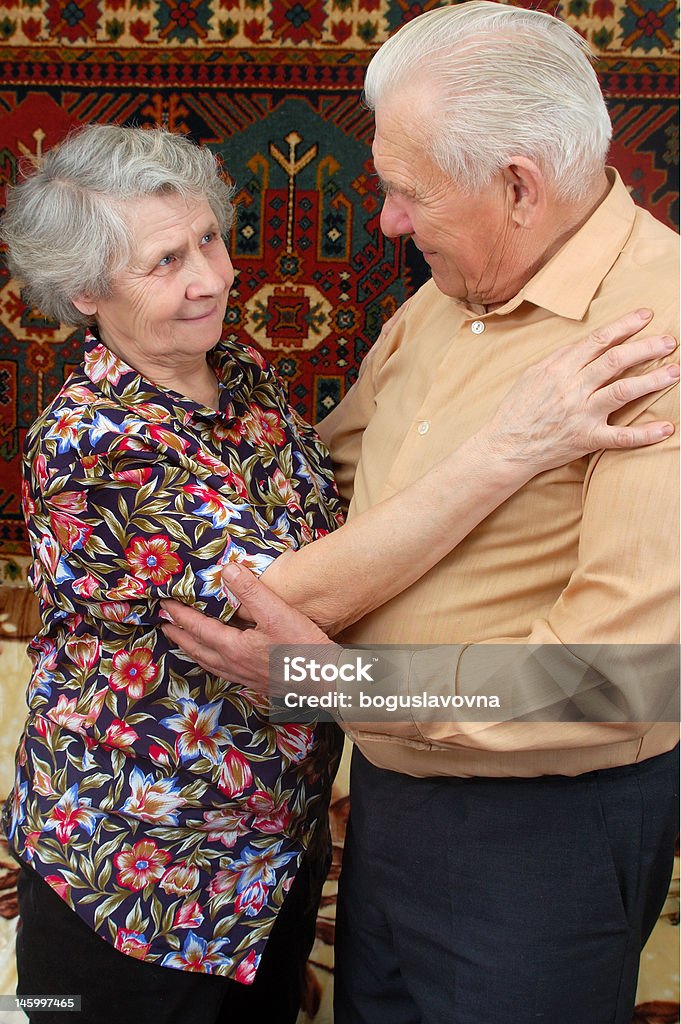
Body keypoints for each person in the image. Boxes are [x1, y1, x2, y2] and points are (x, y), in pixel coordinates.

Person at [2, 123, 671, 1024]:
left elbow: (354, 497)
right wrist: (513, 447)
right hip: (135, 874)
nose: (209, 278)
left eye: (208, 239)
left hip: (270, 857)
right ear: (86, 290)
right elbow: (276, 602)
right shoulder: (95, 443)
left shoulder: (236, 375)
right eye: (163, 262)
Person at [161, 5, 680, 1024]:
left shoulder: (655, 343)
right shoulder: (450, 293)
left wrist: (326, 677)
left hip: (541, 835)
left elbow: (619, 678)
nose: (389, 222)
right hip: (389, 801)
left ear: (519, 187)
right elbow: (323, 480)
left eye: (406, 192)